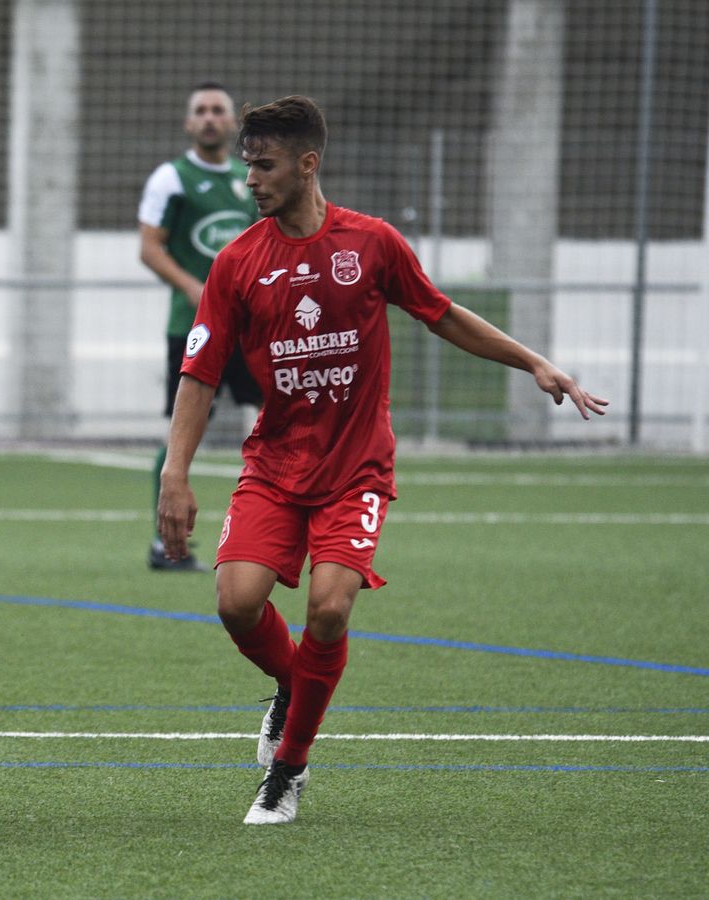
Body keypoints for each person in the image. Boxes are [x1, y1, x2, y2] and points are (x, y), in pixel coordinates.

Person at [157, 95, 607, 825]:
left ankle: (287, 769)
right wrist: (174, 475)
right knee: (236, 603)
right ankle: (294, 687)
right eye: (247, 166)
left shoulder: (371, 243)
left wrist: (533, 361)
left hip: (356, 468)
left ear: (308, 164)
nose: (251, 180)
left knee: (329, 610)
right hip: (275, 464)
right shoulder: (238, 262)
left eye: (264, 166)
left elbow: (442, 313)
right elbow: (200, 373)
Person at [138, 82, 262, 572]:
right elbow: (150, 248)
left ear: (232, 123)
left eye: (218, 111)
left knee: (280, 421)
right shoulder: (172, 178)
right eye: (201, 111)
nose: (210, 118)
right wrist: (194, 287)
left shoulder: (249, 178)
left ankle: (279, 528)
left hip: (251, 329)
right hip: (192, 328)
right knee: (181, 433)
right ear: (189, 123)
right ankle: (164, 542)